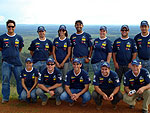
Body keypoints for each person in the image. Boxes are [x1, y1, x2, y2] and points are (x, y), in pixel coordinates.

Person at [0, 19, 24, 103]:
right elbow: (1, 49)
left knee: (19, 81)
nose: (10, 28)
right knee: (5, 81)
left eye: (12, 26)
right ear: (7, 27)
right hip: (6, 63)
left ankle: (21, 97)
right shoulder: (2, 37)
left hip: (17, 63)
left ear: (15, 27)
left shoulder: (19, 37)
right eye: (9, 26)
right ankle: (5, 98)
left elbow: (20, 48)